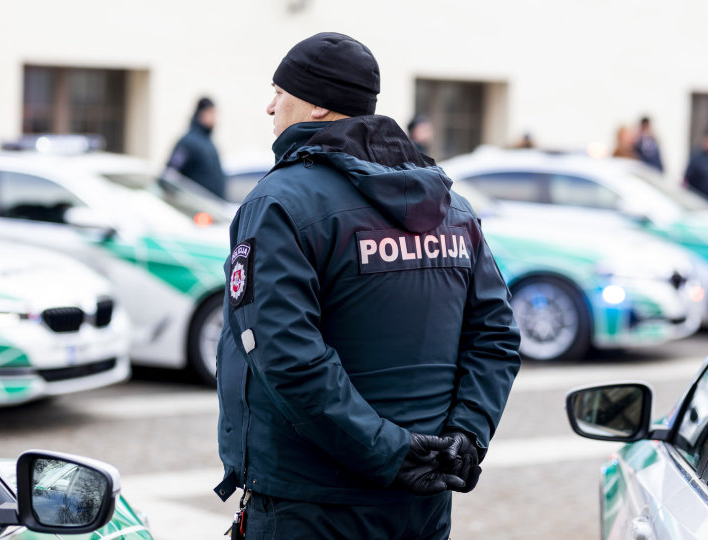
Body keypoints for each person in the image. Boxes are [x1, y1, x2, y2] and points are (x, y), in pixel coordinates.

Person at [214, 32, 521, 539]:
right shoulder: (451, 208)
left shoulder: (280, 204)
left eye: (280, 91)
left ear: (316, 105)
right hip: (421, 504)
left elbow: (287, 357)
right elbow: (495, 336)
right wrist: (465, 438)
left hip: (312, 504)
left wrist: (393, 454)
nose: (270, 106)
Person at [166, 97, 225, 199]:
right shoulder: (188, 143)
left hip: (211, 207)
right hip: (195, 208)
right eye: (211, 113)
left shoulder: (207, 143)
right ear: (202, 113)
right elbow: (171, 175)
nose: (214, 118)